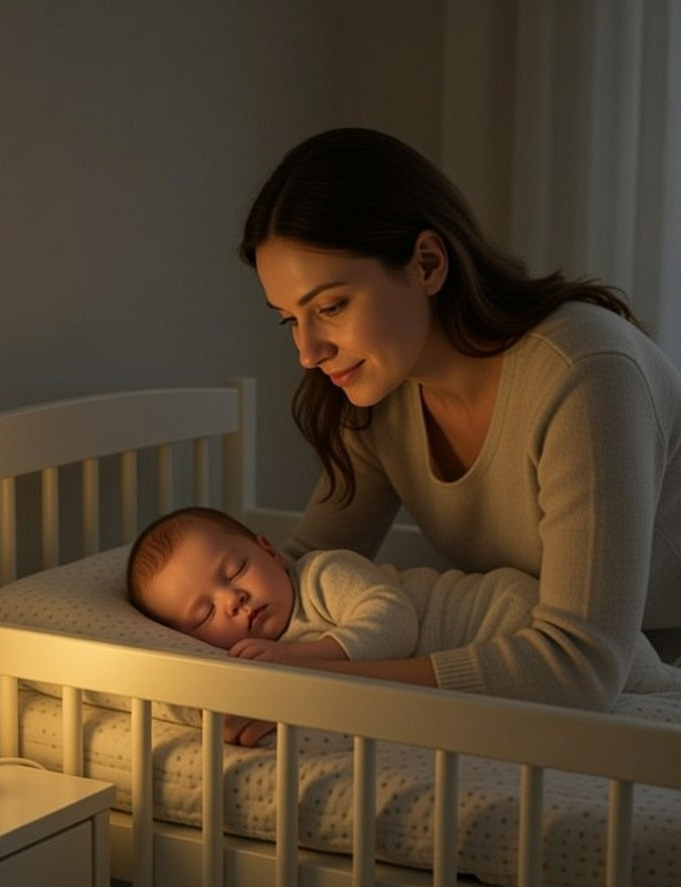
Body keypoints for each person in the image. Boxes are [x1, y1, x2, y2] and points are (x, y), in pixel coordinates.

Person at [237, 126, 681, 710]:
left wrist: (323, 689)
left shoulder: (587, 372)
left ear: (426, 263)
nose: (308, 351)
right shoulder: (381, 395)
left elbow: (581, 665)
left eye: (331, 306)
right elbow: (301, 574)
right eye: (290, 320)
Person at [126, 507, 681, 744]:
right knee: (642, 699)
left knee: (647, 683)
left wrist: (298, 664)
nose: (234, 599)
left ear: (269, 549)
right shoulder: (267, 651)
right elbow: (353, 697)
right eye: (204, 614)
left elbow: (391, 626)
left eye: (236, 569)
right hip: (491, 660)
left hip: (509, 616)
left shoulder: (322, 574)